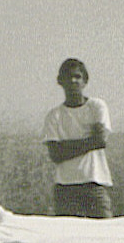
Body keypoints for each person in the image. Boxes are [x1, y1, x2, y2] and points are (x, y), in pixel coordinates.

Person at [42, 57, 114, 218]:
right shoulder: (54, 115)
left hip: (94, 184)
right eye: (68, 77)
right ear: (60, 81)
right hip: (65, 189)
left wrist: (65, 146)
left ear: (85, 81)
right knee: (67, 239)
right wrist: (90, 142)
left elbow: (101, 141)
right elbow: (55, 155)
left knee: (106, 235)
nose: (73, 81)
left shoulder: (96, 106)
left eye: (77, 77)